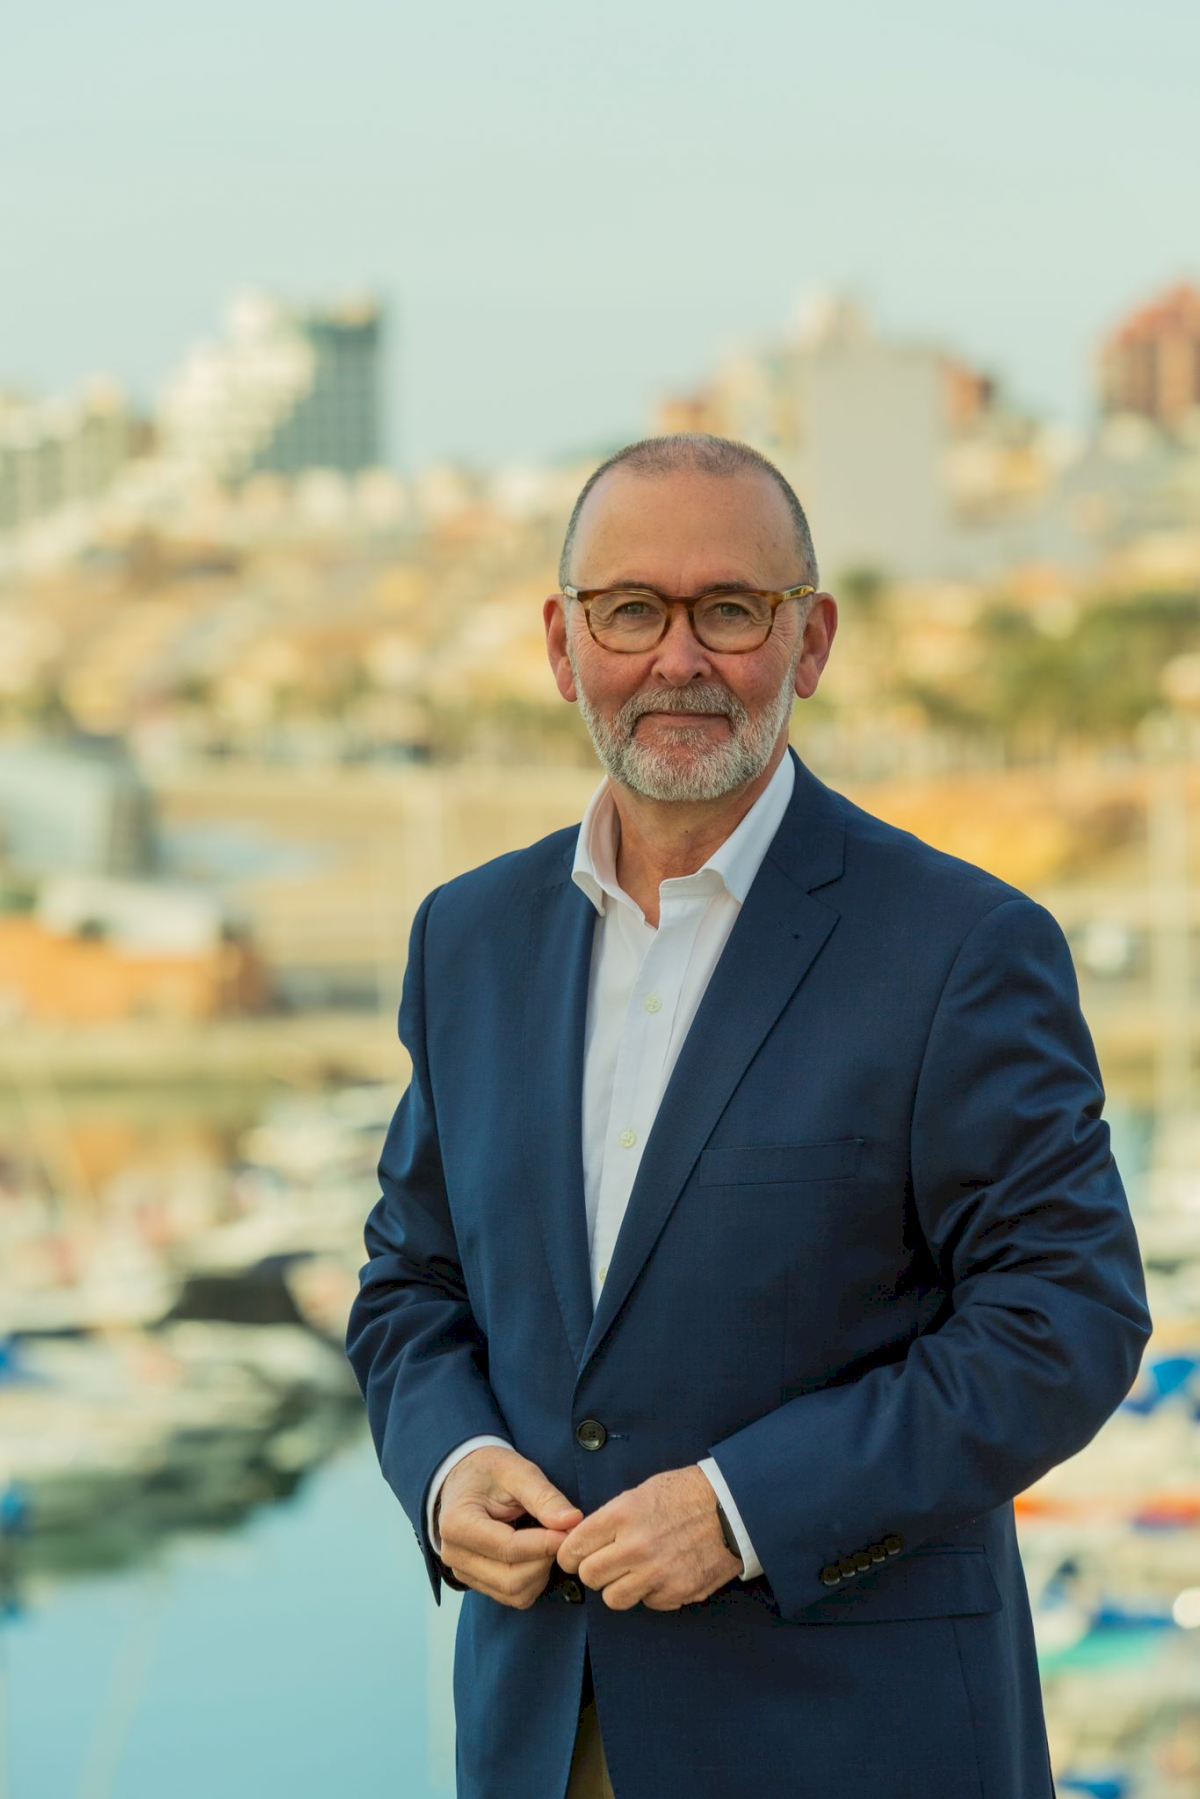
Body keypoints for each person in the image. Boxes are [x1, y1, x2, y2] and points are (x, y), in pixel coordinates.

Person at [346, 434, 1150, 1799]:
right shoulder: (468, 936)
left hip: (857, 1744)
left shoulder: (961, 947)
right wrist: (450, 1463)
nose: (679, 659)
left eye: (730, 609)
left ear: (811, 641)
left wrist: (742, 1511)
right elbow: (412, 1282)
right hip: (544, 1737)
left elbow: (1065, 1319)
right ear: (563, 645)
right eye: (630, 611)